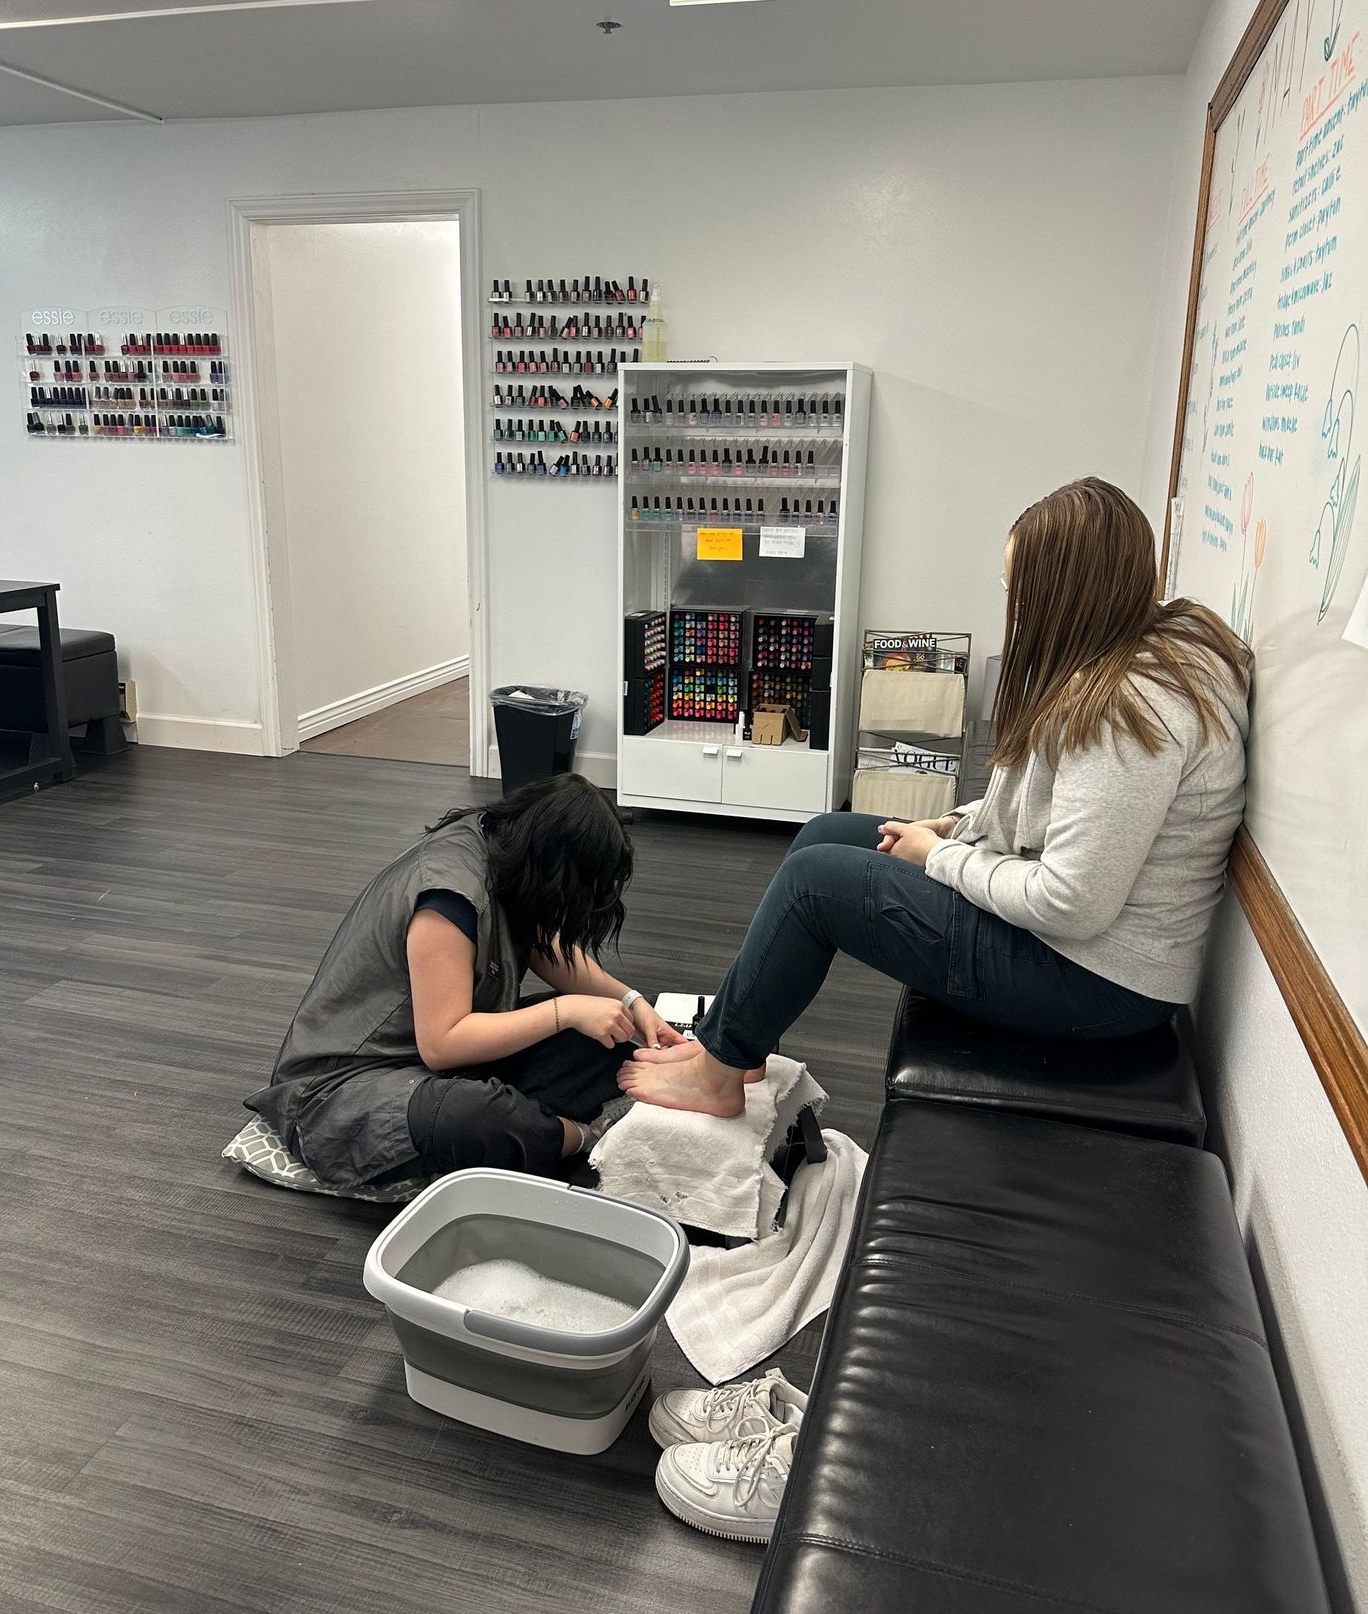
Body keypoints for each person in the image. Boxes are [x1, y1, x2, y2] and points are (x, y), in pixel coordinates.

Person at [619, 476, 1252, 1117]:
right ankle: (735, 1048)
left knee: (815, 881)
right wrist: (955, 823)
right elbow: (1050, 809)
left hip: (1096, 983)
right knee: (822, 835)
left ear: (1064, 597)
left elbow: (1071, 904)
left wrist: (938, 858)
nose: (1011, 607)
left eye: (1018, 592)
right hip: (1082, 954)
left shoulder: (1130, 709)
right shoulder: (1128, 661)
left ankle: (718, 1075)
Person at [245, 774, 681, 1189]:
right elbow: (443, 1044)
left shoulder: (502, 846)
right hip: (340, 1093)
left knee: (612, 1033)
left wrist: (631, 1000)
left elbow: (542, 946)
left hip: (433, 1065)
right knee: (476, 1115)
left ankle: (533, 1127)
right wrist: (565, 1012)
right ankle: (578, 1137)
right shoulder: (447, 898)